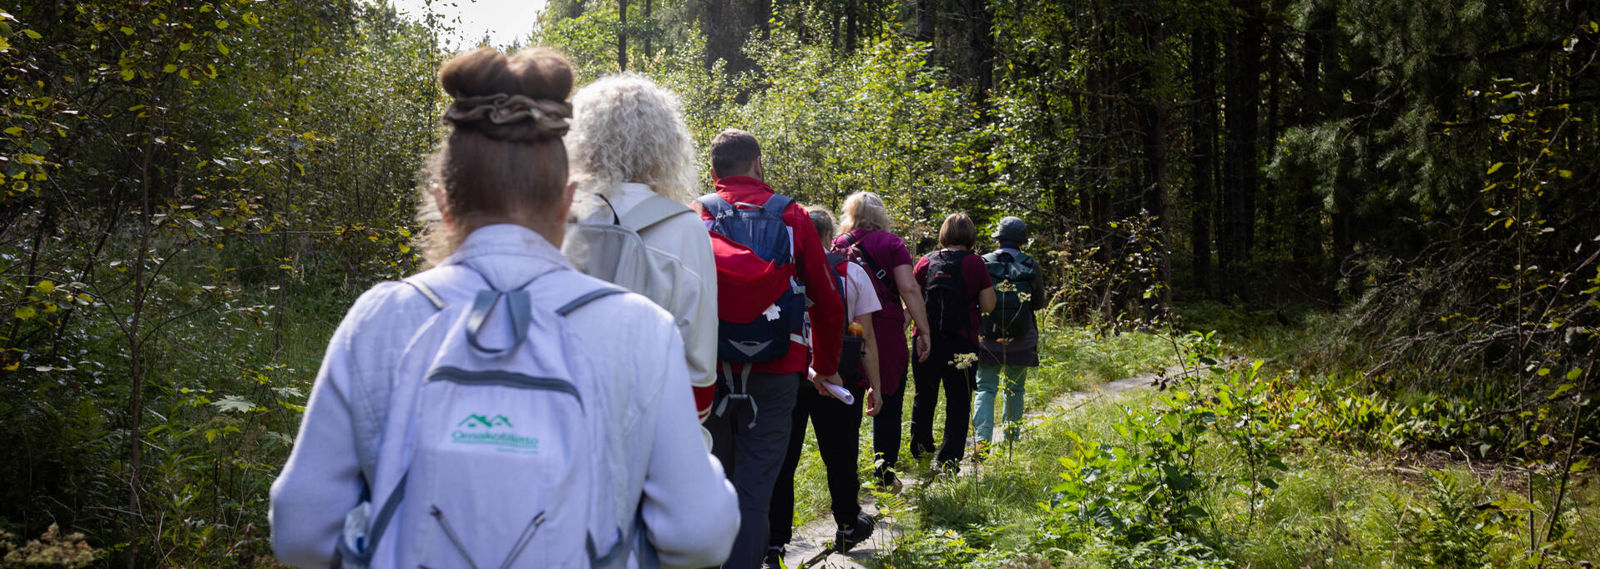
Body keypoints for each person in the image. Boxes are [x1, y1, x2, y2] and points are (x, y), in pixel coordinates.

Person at [268, 47, 738, 568]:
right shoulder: (639, 328)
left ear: (443, 202)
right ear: (567, 201)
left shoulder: (381, 318)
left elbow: (300, 532)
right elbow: (700, 534)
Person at [698, 129, 846, 569]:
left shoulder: (698, 214)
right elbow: (828, 301)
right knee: (755, 489)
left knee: (715, 482)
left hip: (713, 368)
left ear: (713, 171)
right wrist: (826, 366)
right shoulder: (792, 216)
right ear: (758, 164)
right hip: (779, 367)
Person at [565, 73, 719, 440]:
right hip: (649, 442)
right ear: (667, 145)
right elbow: (699, 373)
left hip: (564, 432)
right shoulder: (685, 228)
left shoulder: (558, 219)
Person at [765, 206, 884, 568]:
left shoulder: (778, 268)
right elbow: (863, 336)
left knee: (783, 459)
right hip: (837, 376)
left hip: (787, 372)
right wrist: (875, 385)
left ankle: (774, 543)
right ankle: (848, 525)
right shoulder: (851, 272)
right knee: (841, 453)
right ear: (831, 236)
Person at [832, 192, 931, 491]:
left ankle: (847, 477)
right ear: (881, 215)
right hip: (886, 329)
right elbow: (908, 288)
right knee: (887, 400)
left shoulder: (839, 244)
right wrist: (924, 329)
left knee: (850, 400)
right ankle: (884, 473)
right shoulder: (891, 244)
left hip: (851, 329)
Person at [909, 212, 995, 473]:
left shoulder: (925, 262)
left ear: (943, 234)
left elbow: (911, 300)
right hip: (962, 343)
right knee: (958, 402)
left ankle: (921, 450)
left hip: (925, 341)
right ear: (970, 235)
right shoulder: (975, 263)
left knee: (924, 396)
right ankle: (948, 460)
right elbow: (989, 305)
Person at [972, 216, 1047, 454]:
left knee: (985, 388)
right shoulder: (1030, 264)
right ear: (1021, 241)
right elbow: (1038, 302)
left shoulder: (983, 262)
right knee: (1015, 389)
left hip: (988, 339)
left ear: (999, 237)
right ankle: (1011, 441)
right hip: (1022, 338)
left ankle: (982, 442)